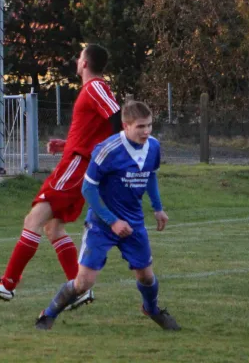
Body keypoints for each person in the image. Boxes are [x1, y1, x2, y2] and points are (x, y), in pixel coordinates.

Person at [0, 44, 121, 307]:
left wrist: (109, 155)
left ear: (85, 63)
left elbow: (117, 117)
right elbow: (95, 131)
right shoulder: (91, 90)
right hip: (77, 162)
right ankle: (79, 288)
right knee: (53, 227)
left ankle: (7, 284)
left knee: (33, 219)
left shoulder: (96, 86)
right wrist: (67, 144)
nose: (77, 61)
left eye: (80, 57)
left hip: (76, 167)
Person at [34, 101, 181, 331]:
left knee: (146, 277)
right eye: (141, 126)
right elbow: (88, 189)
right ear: (125, 125)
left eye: (150, 125)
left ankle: (152, 309)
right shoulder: (107, 149)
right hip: (102, 224)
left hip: (133, 223)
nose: (147, 131)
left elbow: (150, 175)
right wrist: (112, 221)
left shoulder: (153, 147)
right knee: (84, 283)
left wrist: (158, 207)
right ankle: (48, 315)